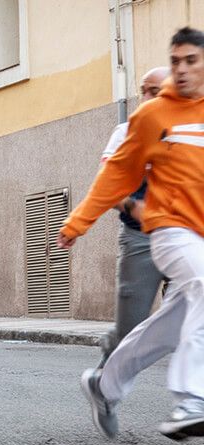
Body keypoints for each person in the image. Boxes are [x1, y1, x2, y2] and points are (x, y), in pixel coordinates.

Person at [58, 27, 204, 440]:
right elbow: (116, 175)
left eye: (191, 60)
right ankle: (193, 399)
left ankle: (104, 385)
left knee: (171, 326)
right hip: (170, 231)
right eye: (176, 61)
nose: (182, 70)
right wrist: (78, 222)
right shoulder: (151, 116)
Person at [97, 66, 170, 368]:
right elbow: (106, 185)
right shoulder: (125, 133)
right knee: (130, 330)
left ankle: (193, 401)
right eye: (144, 90)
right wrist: (135, 208)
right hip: (140, 238)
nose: (147, 97)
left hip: (185, 237)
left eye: (156, 91)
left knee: (192, 323)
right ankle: (109, 362)